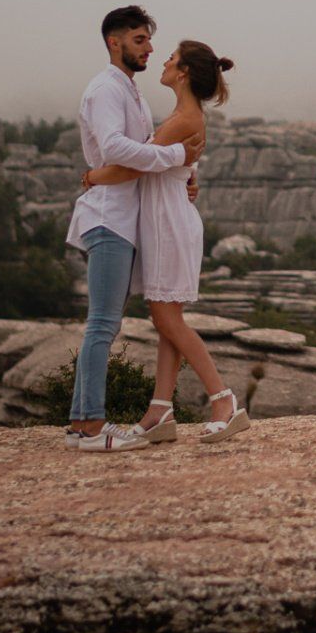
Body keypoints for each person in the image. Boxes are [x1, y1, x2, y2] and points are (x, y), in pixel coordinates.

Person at [83, 39, 246, 443]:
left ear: (185, 71)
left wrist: (91, 178)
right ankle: (159, 409)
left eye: (172, 58)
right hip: (166, 219)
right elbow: (167, 167)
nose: (165, 62)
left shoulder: (183, 119)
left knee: (167, 318)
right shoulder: (181, 115)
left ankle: (224, 400)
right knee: (166, 320)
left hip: (170, 223)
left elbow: (130, 167)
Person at [61, 6, 202, 453]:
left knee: (105, 323)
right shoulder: (106, 89)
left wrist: (182, 175)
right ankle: (89, 427)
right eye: (139, 40)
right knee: (102, 324)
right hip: (108, 218)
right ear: (114, 42)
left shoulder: (131, 93)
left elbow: (138, 153)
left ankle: (82, 423)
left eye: (148, 40)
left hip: (124, 218)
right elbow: (116, 149)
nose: (149, 48)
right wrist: (176, 158)